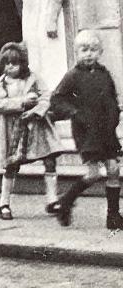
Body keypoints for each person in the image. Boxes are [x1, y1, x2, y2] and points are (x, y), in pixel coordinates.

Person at [50, 31, 123, 229]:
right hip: (86, 130)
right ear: (77, 52)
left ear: (100, 52)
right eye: (84, 50)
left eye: (93, 50)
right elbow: (57, 99)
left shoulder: (104, 73)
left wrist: (115, 114)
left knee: (114, 170)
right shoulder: (73, 76)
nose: (88, 54)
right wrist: (74, 112)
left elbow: (111, 98)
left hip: (106, 131)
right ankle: (66, 201)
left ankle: (113, 217)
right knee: (93, 174)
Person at [0, 42, 65, 219]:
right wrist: (22, 102)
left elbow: (46, 95)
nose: (10, 67)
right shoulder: (1, 84)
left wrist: (36, 110)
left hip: (37, 128)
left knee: (49, 158)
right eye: (6, 63)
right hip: (13, 129)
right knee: (11, 165)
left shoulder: (33, 78)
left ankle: (52, 199)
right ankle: (4, 203)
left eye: (14, 63)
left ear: (22, 63)